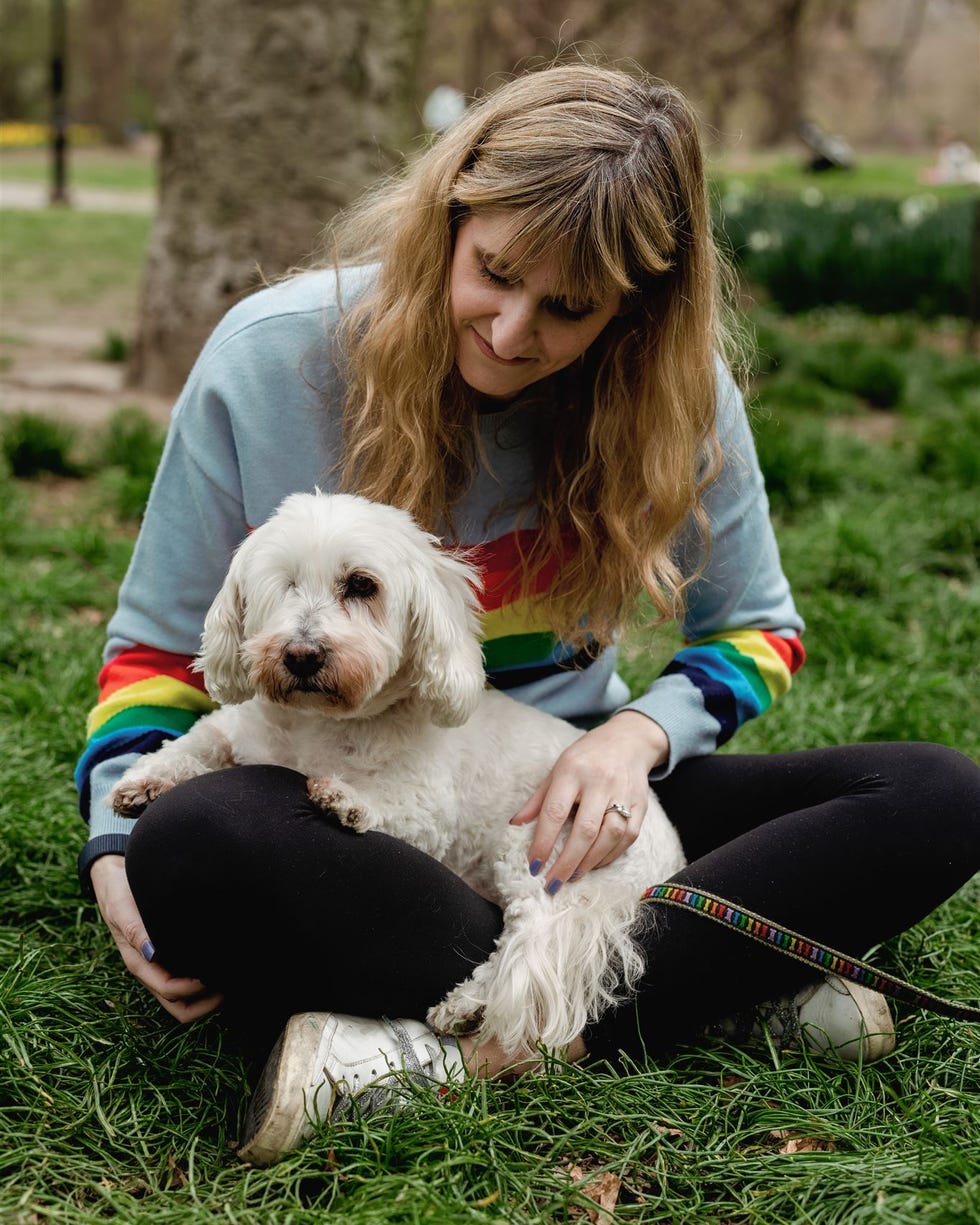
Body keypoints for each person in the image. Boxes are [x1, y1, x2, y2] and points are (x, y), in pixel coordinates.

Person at [78, 63, 980, 1167]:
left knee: (934, 794)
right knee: (196, 836)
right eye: (492, 273)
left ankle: (433, 1056)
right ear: (447, 217)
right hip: (343, 812)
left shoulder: (675, 394)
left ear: (634, 306)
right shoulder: (265, 360)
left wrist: (629, 740)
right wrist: (116, 854)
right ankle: (721, 990)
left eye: (567, 308)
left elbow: (758, 630)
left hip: (563, 799)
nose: (510, 332)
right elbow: (158, 654)